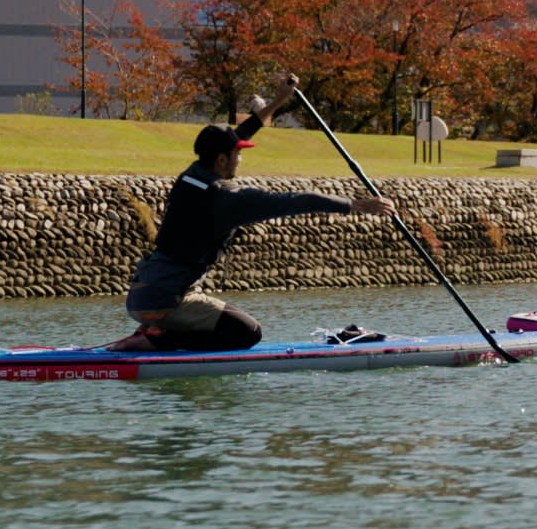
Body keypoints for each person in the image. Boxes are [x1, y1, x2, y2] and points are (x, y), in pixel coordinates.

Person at [106, 85, 392, 353]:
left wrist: (280, 100)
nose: (240, 159)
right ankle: (155, 340)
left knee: (226, 318)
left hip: (141, 295)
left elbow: (242, 131)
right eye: (237, 154)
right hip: (167, 301)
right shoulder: (227, 199)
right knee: (247, 332)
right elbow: (296, 201)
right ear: (221, 160)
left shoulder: (191, 176)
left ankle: (155, 331)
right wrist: (356, 205)